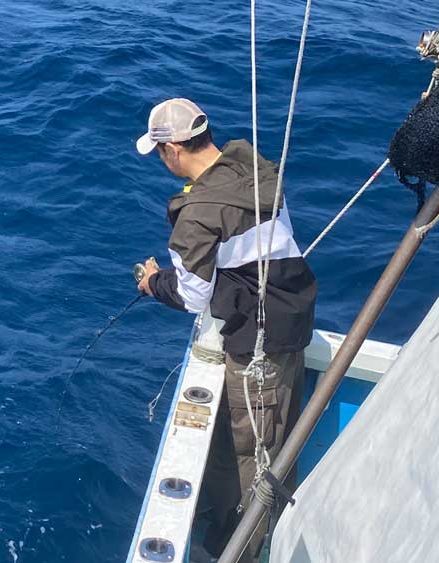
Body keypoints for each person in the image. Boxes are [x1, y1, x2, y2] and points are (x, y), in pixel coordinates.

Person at [135, 98, 317, 562]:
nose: (162, 160)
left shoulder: (196, 215)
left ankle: (243, 550)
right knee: (277, 439)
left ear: (174, 149)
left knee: (253, 460)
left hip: (258, 346)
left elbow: (193, 296)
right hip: (291, 318)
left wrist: (153, 283)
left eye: (160, 152)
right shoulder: (251, 168)